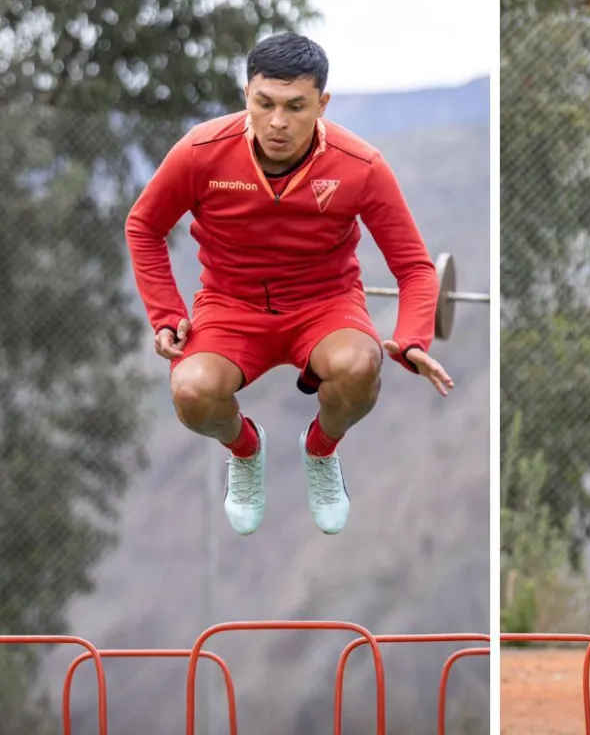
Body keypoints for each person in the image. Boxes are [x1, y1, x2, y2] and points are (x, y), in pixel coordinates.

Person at [125, 33, 453, 537]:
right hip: (229, 307)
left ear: (322, 103)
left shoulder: (361, 166)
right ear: (246, 96)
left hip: (326, 306)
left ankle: (321, 452)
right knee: (191, 392)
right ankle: (245, 451)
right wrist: (167, 316)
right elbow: (143, 227)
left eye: (296, 106)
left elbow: (414, 265)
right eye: (266, 103)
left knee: (361, 366)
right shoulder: (201, 152)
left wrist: (412, 339)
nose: (278, 121)